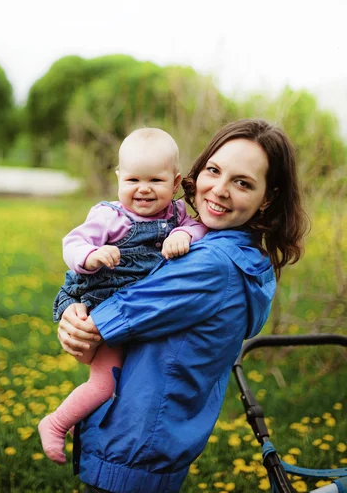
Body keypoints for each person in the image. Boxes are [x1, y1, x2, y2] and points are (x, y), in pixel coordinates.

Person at [56, 119, 308, 493]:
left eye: (242, 182)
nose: (218, 190)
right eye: (214, 170)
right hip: (158, 437)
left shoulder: (211, 264)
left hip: (133, 440)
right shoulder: (242, 254)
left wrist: (68, 307)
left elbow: (96, 328)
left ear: (267, 198)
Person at [38, 127, 207, 464]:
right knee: (104, 384)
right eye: (132, 180)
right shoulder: (109, 216)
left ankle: (84, 421)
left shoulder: (177, 216)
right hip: (102, 309)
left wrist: (186, 235)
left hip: (135, 317)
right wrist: (91, 256)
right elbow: (72, 243)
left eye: (155, 181)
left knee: (127, 383)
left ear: (174, 184)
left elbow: (201, 226)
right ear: (119, 179)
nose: (143, 189)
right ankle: (55, 423)